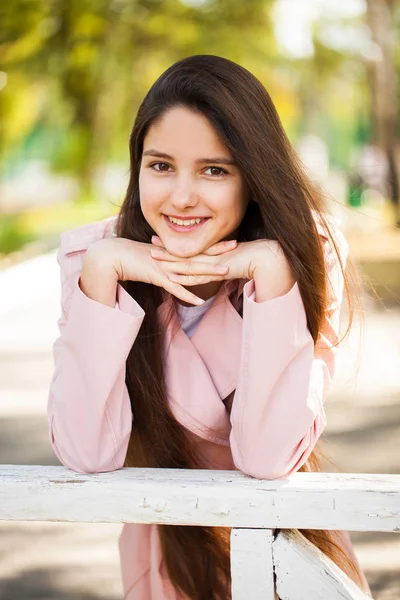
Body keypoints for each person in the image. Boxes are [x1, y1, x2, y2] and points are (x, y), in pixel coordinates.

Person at [47, 54, 371, 599]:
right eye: (161, 165)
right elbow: (86, 452)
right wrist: (103, 274)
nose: (181, 197)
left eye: (214, 170)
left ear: (255, 174)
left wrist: (270, 274)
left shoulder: (306, 254)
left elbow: (268, 457)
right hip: (169, 549)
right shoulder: (96, 257)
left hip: (290, 548)